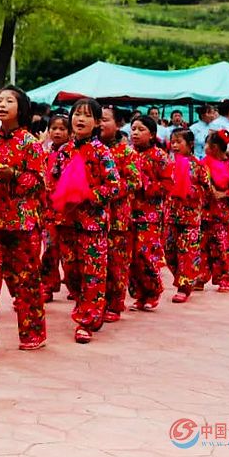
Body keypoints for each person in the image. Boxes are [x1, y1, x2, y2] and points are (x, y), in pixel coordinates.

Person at [47, 99, 119, 344]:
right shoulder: (63, 151)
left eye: (87, 115)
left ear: (97, 122)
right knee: (71, 272)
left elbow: (114, 186)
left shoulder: (102, 152)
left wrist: (88, 195)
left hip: (92, 224)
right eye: (77, 114)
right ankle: (86, 307)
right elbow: (52, 180)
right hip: (66, 222)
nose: (80, 119)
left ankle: (87, 319)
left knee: (93, 272)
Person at [0, 86, 47, 351]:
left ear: (20, 108)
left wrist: (13, 175)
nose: (2, 104)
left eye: (9, 101)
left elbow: (39, 182)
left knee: (26, 281)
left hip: (22, 223)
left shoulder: (30, 143)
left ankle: (33, 333)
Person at [98, 106, 141, 323]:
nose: (100, 123)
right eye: (98, 119)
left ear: (118, 124)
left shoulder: (127, 153)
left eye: (105, 119)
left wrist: (107, 190)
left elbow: (134, 181)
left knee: (116, 263)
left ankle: (114, 304)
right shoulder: (86, 149)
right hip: (90, 217)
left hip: (117, 217)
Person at [127, 117, 173, 311]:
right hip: (127, 214)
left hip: (150, 215)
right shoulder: (127, 153)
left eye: (141, 129)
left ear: (152, 134)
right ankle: (138, 294)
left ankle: (153, 291)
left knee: (145, 255)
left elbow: (168, 184)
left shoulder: (159, 156)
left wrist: (145, 184)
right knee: (130, 257)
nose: (135, 133)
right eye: (133, 129)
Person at [165, 128, 213, 304]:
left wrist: (190, 190)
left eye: (179, 142)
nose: (175, 145)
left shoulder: (199, 166)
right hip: (170, 216)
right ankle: (183, 278)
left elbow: (207, 190)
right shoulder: (168, 164)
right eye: (173, 142)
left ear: (190, 144)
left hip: (191, 218)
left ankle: (184, 287)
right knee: (169, 251)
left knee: (187, 252)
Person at [198, 130, 229, 293]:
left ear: (214, 147)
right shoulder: (202, 164)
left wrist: (224, 194)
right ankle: (200, 277)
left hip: (225, 215)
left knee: (225, 247)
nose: (205, 147)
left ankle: (226, 279)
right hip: (205, 213)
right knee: (202, 246)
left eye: (207, 144)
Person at [40, 114, 72, 302]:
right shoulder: (45, 153)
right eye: (54, 128)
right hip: (49, 211)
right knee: (49, 250)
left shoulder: (73, 153)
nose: (57, 132)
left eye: (62, 129)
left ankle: (74, 284)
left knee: (70, 254)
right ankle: (48, 285)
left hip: (68, 212)